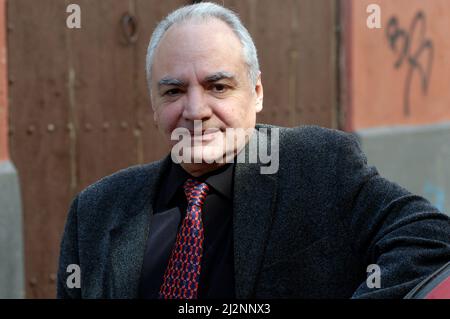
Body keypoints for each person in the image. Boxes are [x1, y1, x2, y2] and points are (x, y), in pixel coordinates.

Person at [57, 2, 450, 299]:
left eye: (219, 87)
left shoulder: (319, 167)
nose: (195, 111)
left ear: (257, 92)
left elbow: (432, 239)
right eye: (174, 91)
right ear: (153, 104)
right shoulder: (94, 211)